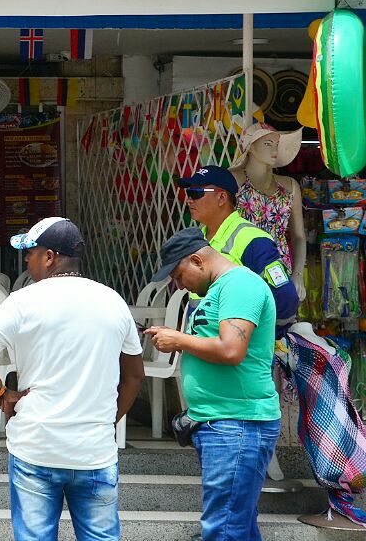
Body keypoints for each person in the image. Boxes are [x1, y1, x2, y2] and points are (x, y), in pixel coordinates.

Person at [0, 217, 144, 541]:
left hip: (37, 446)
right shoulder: (112, 301)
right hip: (94, 451)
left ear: (49, 257)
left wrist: (0, 394)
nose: (26, 260)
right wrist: (108, 420)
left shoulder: (25, 300)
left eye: (31, 253)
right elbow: (134, 375)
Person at [145, 228, 280, 541]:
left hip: (238, 423)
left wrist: (178, 339)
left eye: (179, 276)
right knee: (237, 525)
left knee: (223, 528)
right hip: (220, 421)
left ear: (197, 260)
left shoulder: (241, 285)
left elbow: (231, 350)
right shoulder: (221, 289)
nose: (179, 285)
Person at [179, 166, 299, 337]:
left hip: (235, 356)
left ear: (221, 197)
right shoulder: (200, 239)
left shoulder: (252, 239)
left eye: (197, 193)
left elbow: (285, 297)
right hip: (206, 349)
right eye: (188, 193)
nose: (189, 200)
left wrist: (255, 338)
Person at [229, 123, 306, 289]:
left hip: (280, 268)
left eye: (276, 145)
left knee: (281, 314)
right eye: (267, 144)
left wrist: (298, 275)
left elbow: (299, 236)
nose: (274, 150)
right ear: (251, 147)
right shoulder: (234, 181)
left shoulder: (290, 187)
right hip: (241, 267)